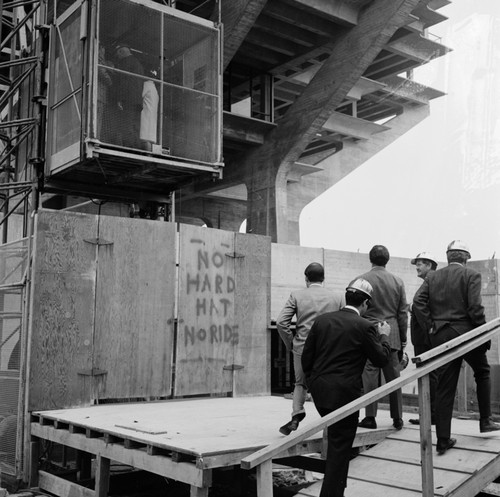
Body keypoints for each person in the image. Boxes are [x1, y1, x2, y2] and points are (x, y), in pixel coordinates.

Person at [302, 278, 391, 497]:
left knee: (336, 442)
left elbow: (306, 360)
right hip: (344, 396)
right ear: (366, 304)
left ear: (346, 297)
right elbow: (380, 359)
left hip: (321, 392)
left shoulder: (322, 321)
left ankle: (336, 491)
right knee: (340, 449)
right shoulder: (365, 327)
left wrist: (315, 382)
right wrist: (384, 336)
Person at [413, 240, 500, 455]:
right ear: (466, 257)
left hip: (441, 336)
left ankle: (443, 440)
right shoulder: (471, 275)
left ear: (449, 256)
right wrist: (482, 334)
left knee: (445, 385)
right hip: (466, 335)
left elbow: (418, 302)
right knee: (482, 372)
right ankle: (486, 420)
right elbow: (475, 307)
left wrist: (430, 327)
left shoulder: (433, 276)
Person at [276, 262, 345, 435]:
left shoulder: (297, 295)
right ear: (324, 278)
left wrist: (290, 343)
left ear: (306, 278)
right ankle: (330, 420)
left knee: (300, 383)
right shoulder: (337, 297)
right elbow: (344, 322)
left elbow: (281, 322)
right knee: (327, 384)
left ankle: (296, 415)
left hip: (302, 347)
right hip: (328, 349)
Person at [356, 245, 407, 430]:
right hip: (391, 331)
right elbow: (402, 313)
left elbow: (356, 310)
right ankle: (398, 417)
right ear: (387, 259)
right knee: (393, 375)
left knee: (369, 374)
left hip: (368, 330)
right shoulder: (398, 281)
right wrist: (403, 338)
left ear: (370, 258)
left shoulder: (361, 280)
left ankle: (370, 417)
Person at [408, 252, 438, 426]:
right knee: (430, 374)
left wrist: (412, 308)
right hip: (427, 335)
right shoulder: (433, 280)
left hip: (425, 337)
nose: (417, 267)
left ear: (429, 265)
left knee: (429, 374)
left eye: (419, 264)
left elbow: (420, 304)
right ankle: (429, 414)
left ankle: (430, 415)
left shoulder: (430, 280)